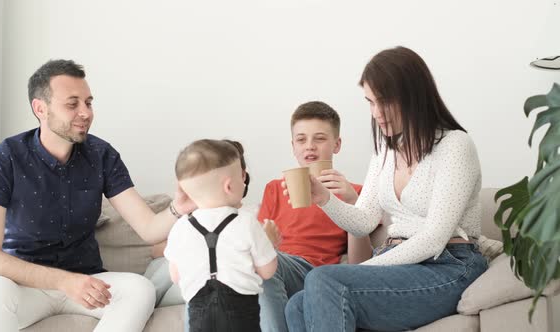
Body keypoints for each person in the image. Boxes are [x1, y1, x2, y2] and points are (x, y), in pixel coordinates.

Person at [0, 59, 195, 332]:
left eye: (88, 103)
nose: (85, 112)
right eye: (72, 104)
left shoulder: (102, 155)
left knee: (140, 289)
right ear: (40, 108)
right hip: (24, 287)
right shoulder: (6, 157)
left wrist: (178, 208)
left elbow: (147, 228)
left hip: (87, 284)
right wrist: (64, 281)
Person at [284, 46, 488, 332]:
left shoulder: (455, 145)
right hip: (400, 265)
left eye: (385, 102)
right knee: (297, 304)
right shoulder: (385, 152)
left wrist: (358, 271)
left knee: (324, 280)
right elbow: (364, 222)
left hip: (449, 267)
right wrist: (323, 198)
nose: (377, 113)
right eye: (370, 102)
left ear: (413, 96)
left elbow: (433, 240)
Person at [258, 101, 373, 332]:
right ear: (293, 146)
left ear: (336, 144)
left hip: (317, 274)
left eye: (319, 139)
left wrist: (353, 203)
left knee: (266, 262)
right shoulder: (274, 188)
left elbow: (360, 265)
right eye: (301, 139)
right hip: (279, 268)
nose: (309, 146)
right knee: (259, 262)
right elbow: (259, 245)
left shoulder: (358, 192)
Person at [165, 139, 278, 332]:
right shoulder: (247, 222)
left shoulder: (180, 227)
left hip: (198, 314)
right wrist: (270, 242)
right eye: (241, 176)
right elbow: (267, 271)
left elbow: (175, 276)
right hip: (241, 313)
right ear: (229, 186)